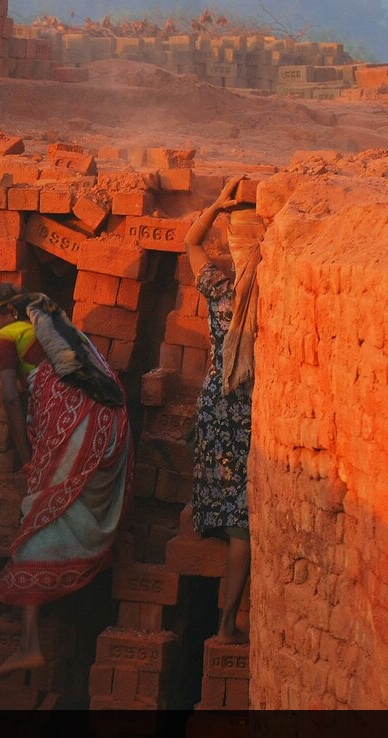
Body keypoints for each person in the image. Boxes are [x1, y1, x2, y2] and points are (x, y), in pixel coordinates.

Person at [0, 282, 133, 676]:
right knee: (65, 505)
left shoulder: (8, 334)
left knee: (37, 518)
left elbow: (11, 395)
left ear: (7, 314)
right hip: (110, 425)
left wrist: (27, 459)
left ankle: (30, 644)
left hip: (75, 426)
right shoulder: (66, 337)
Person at [184, 174, 259, 645]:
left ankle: (226, 618)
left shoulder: (219, 290)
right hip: (247, 413)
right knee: (244, 526)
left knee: (228, 505)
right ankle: (228, 623)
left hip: (214, 404)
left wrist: (216, 204)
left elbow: (191, 240)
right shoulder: (266, 298)